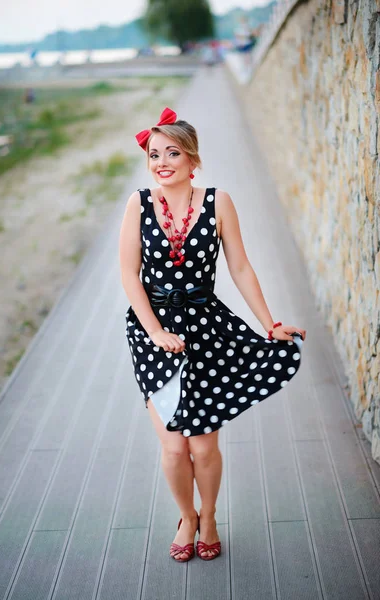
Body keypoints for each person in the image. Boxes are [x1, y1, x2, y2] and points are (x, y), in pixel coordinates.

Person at [119, 107, 306, 563]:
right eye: (154, 154)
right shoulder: (139, 203)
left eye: (172, 153)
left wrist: (269, 323)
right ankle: (187, 517)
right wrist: (157, 331)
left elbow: (239, 267)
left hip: (208, 330)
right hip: (152, 331)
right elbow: (129, 274)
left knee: (203, 447)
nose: (161, 162)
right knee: (173, 447)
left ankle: (211, 515)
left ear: (192, 159)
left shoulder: (218, 201)